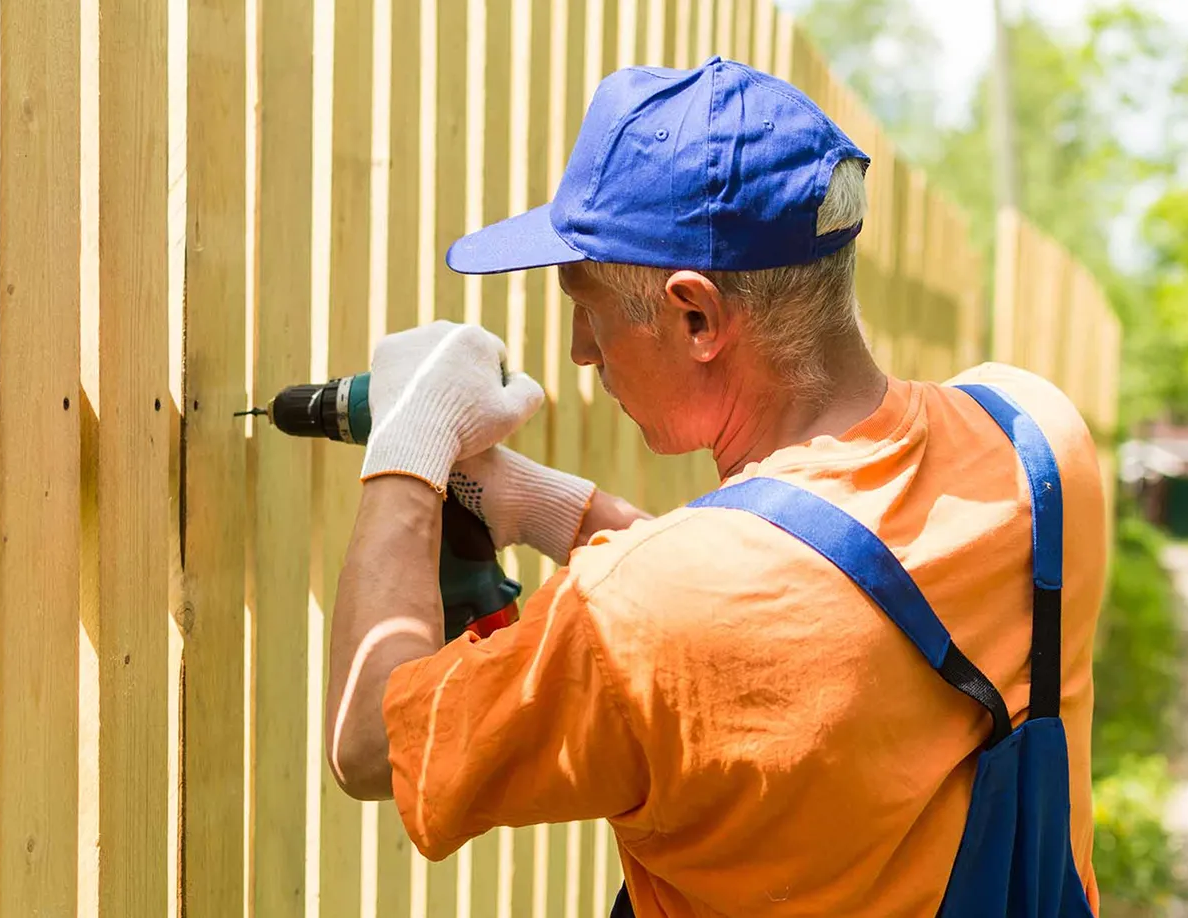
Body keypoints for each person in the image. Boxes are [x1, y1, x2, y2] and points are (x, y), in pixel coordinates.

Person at [324, 56, 1106, 917]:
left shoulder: (642, 616)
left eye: (585, 305)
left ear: (696, 315)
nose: (582, 350)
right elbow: (799, 607)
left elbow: (367, 742)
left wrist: (411, 441)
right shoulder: (1037, 440)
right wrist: (551, 507)